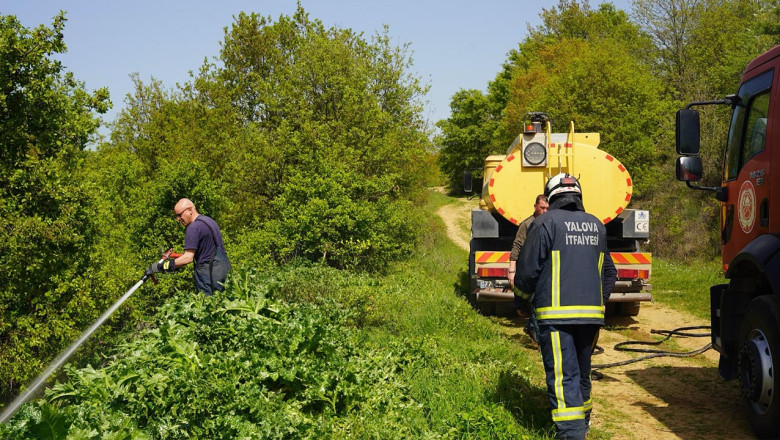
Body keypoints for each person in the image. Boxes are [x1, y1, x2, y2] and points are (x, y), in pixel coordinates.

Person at [514, 173, 616, 440]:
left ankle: (571, 435)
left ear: (552, 196)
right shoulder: (597, 225)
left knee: (563, 377)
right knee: (582, 373)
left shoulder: (545, 223)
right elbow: (610, 272)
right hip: (592, 318)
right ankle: (583, 424)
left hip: (556, 318)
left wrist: (521, 302)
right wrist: (599, 302)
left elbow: (527, 271)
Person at [146, 198, 232, 295]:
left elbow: (188, 258)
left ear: (190, 210)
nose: (178, 219)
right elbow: (206, 250)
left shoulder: (193, 227)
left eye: (179, 215)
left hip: (209, 275)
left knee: (209, 307)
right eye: (176, 216)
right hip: (224, 269)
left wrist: (160, 267)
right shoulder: (209, 221)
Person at [509, 194, 549, 342]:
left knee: (538, 301)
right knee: (533, 300)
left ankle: (533, 328)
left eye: (547, 208)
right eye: (542, 208)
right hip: (530, 269)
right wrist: (512, 269)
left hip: (544, 269)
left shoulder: (550, 223)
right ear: (535, 207)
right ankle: (533, 329)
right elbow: (517, 246)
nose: (545, 211)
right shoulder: (527, 224)